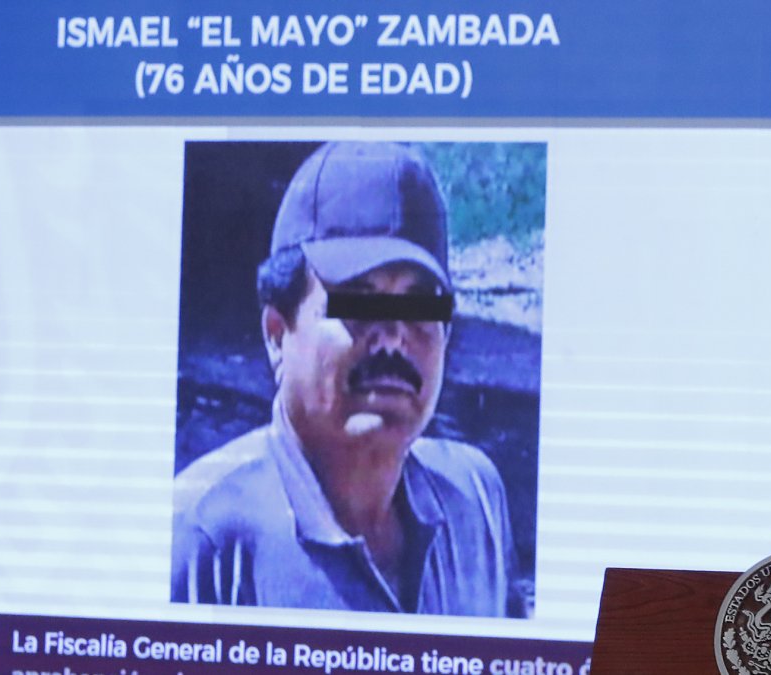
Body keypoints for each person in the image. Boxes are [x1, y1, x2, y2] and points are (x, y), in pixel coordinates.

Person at [171, 141, 526, 618]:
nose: (393, 338)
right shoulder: (202, 538)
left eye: (420, 304)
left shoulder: (475, 501)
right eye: (358, 301)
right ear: (277, 333)